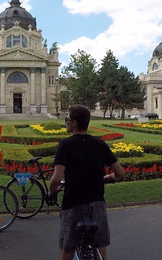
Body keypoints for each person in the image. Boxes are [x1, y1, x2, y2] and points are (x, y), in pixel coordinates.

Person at [48, 104, 125, 260]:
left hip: (73, 203)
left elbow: (56, 178)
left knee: (67, 249)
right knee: (101, 250)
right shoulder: (99, 144)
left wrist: (51, 192)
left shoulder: (66, 145)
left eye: (67, 119)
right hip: (97, 204)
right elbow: (120, 173)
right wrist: (107, 178)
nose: (66, 122)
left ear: (75, 123)